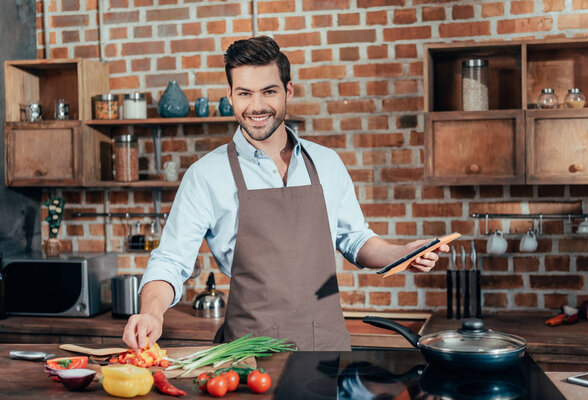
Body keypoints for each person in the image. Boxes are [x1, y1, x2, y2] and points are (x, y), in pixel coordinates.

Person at [122, 36, 448, 352]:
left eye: (269, 91)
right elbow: (170, 261)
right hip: (247, 354)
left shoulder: (326, 162)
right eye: (245, 93)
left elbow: (355, 239)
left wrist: (401, 253)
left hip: (324, 348)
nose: (257, 105)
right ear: (231, 96)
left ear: (288, 91)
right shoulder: (205, 175)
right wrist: (151, 312)